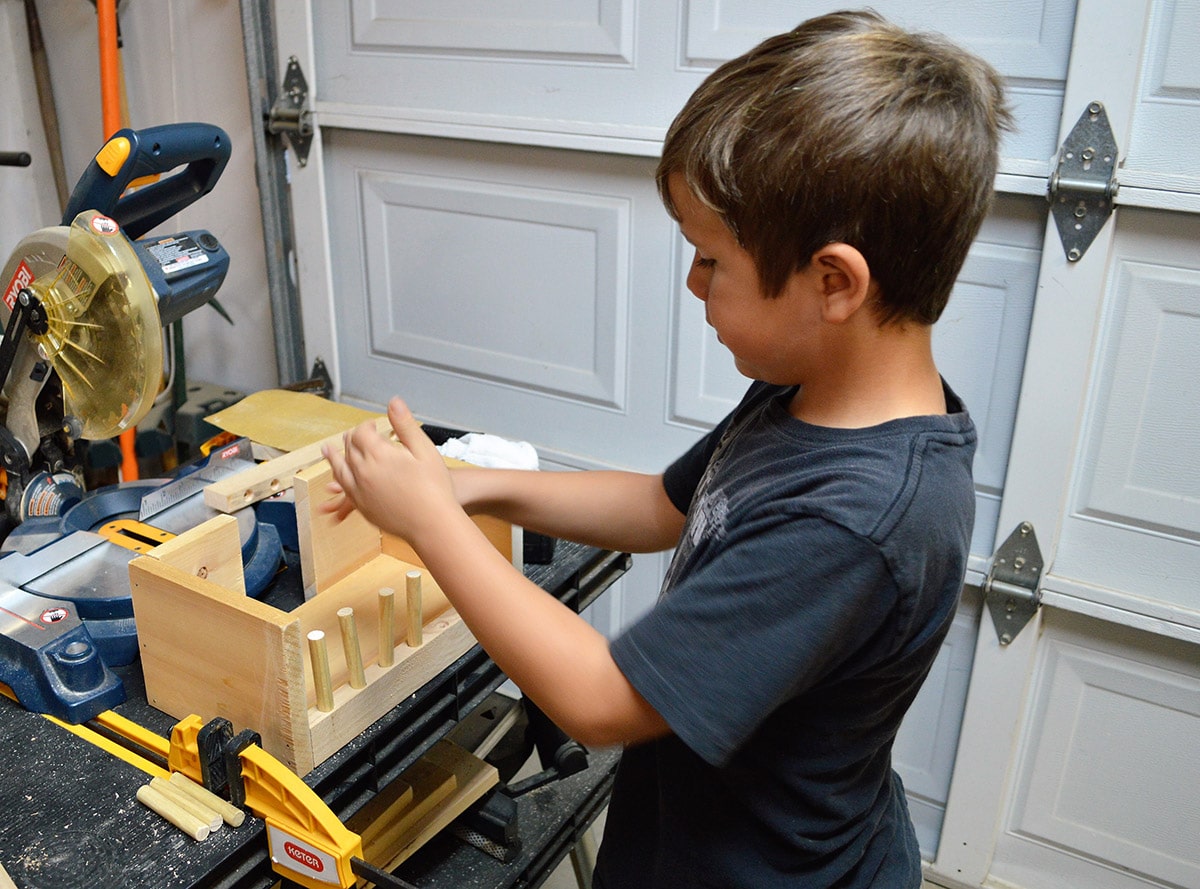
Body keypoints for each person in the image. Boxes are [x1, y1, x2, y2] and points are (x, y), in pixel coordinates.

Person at [322, 9, 1011, 888]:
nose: (693, 284)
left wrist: (426, 522)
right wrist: (470, 487)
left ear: (833, 282)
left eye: (710, 260)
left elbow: (599, 697)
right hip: (692, 835)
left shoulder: (859, 522)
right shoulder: (814, 393)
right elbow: (660, 505)